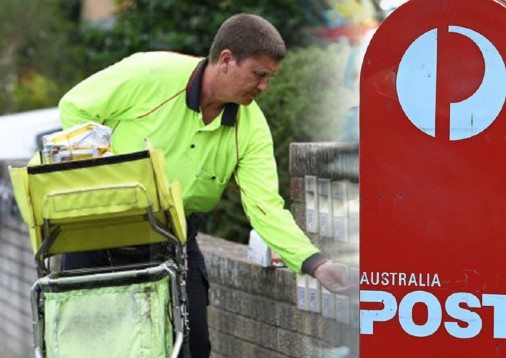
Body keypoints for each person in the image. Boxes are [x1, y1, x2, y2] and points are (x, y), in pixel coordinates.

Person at [58, 13, 352, 357]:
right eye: (259, 75)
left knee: (194, 347)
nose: (264, 88)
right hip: (100, 232)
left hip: (173, 240)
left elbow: (265, 207)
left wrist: (316, 264)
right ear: (226, 60)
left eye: (269, 78)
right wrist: (110, 179)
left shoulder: (251, 127)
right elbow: (74, 108)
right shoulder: (149, 74)